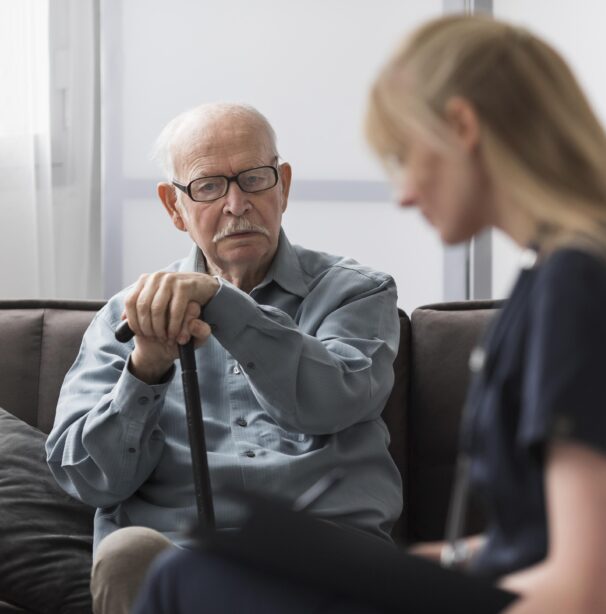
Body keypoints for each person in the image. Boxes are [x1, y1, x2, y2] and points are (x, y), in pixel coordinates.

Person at [132, 15, 606, 614]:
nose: (405, 194)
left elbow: (585, 591)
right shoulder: (594, 269)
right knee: (198, 573)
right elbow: (553, 543)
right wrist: (412, 565)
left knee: (182, 579)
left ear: (462, 128)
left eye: (405, 157)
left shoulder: (579, 291)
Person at [45, 102, 403, 614]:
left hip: (320, 555)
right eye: (209, 186)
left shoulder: (356, 294)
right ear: (174, 207)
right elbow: (87, 479)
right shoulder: (124, 319)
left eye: (254, 179)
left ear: (283, 186)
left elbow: (331, 402)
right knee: (127, 553)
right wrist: (145, 369)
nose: (237, 204)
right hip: (177, 556)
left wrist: (220, 301)